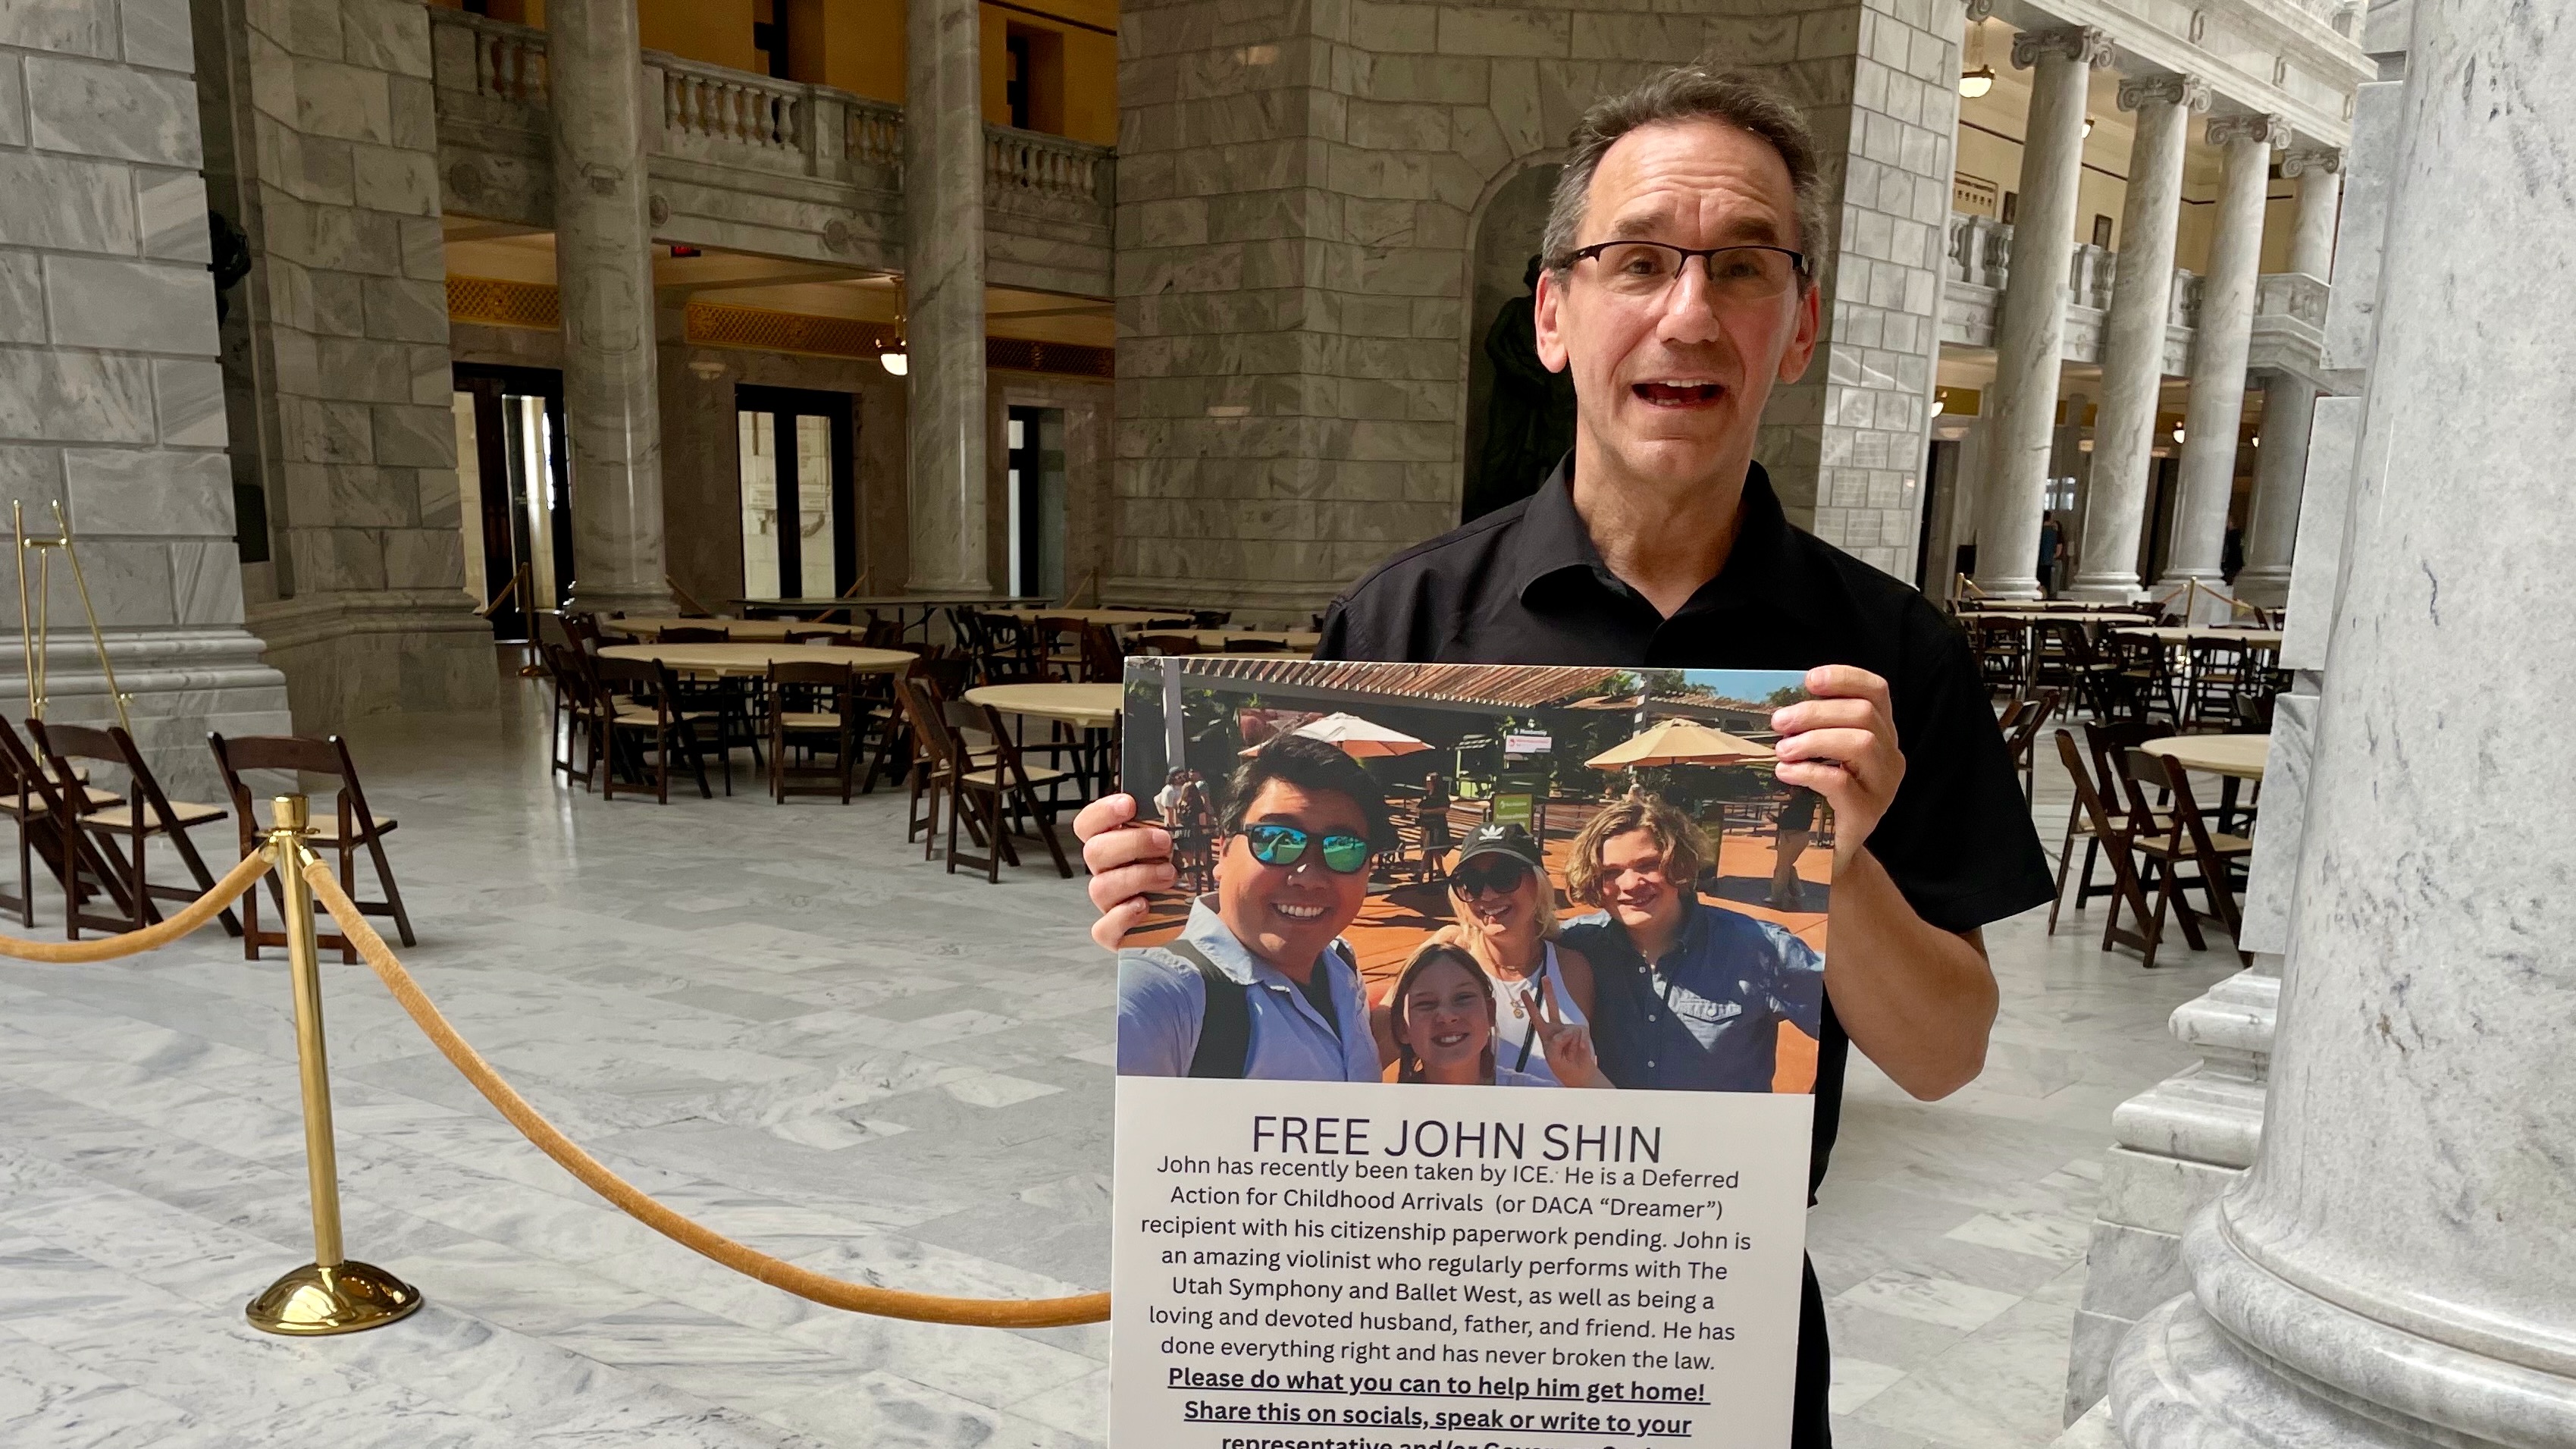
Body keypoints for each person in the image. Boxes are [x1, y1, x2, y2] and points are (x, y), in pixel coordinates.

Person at [1080, 65, 2054, 1447]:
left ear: (1798, 325)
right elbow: (1301, 972)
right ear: (1552, 312)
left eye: (1741, 267)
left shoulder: (1886, 659)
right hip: (1408, 1302)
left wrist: (1832, 867)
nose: (1687, 310)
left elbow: (1946, 1055)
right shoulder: (1403, 623)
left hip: (1707, 1315)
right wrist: (1167, 905)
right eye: (1637, 260)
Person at [1116, 737, 1390, 1081]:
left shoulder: (1339, 962)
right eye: (1277, 839)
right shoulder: (1170, 995)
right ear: (1224, 851)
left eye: (1343, 848)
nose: (1310, 878)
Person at [1559, 793, 1822, 1093]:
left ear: (1679, 864)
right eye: (1611, 872)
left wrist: (1815, 1123)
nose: (1630, 884)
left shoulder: (1761, 950)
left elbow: (1863, 1034)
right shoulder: (1577, 944)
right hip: (1623, 1137)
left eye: (1648, 865)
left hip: (1721, 1138)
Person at [1424, 821, 1600, 1085]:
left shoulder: (1574, 969)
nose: (1487, 894)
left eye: (1504, 877)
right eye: (1471, 883)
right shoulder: (1444, 965)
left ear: (1538, 883)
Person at [1388, 941, 1609, 1088]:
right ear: (1402, 1028)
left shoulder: (1532, 1096)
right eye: (1426, 1003)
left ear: (1491, 1013)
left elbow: (1628, 1141)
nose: (1447, 1016)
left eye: (1463, 998)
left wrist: (1585, 1078)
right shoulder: (1380, 1113)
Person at [1470, 256, 1580, 521]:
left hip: (1548, 392)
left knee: (1549, 450)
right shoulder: (1516, 309)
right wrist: (1519, 373)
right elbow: (1494, 344)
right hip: (1514, 393)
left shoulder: (1563, 314)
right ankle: (1492, 509)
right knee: (1502, 449)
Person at [2037, 513, 2064, 596]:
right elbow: (2058, 549)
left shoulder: (2037, 531)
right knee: (2046, 585)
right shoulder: (2054, 533)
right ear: (2049, 518)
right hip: (2048, 562)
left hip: (2037, 562)